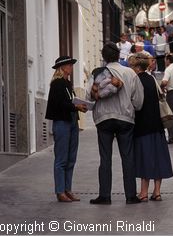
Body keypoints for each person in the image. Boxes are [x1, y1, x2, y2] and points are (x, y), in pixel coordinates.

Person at [86, 42, 144, 205]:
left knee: (105, 157)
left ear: (103, 57)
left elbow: (88, 96)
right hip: (125, 119)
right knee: (127, 156)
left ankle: (104, 195)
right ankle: (131, 195)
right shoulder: (129, 73)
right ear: (119, 55)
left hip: (103, 119)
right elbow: (138, 101)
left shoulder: (97, 73)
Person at [131, 53, 173, 201]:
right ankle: (157, 191)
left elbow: (136, 104)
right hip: (157, 124)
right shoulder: (152, 79)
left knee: (145, 159)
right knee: (158, 157)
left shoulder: (136, 80)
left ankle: (143, 193)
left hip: (143, 125)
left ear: (137, 66)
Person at [45, 56, 87, 203]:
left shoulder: (68, 84)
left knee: (71, 158)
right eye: (69, 65)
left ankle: (68, 189)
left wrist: (80, 106)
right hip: (62, 123)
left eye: (71, 65)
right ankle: (60, 191)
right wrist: (75, 106)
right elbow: (59, 104)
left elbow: (70, 102)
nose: (71, 67)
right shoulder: (57, 84)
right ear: (61, 68)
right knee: (61, 159)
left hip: (72, 121)